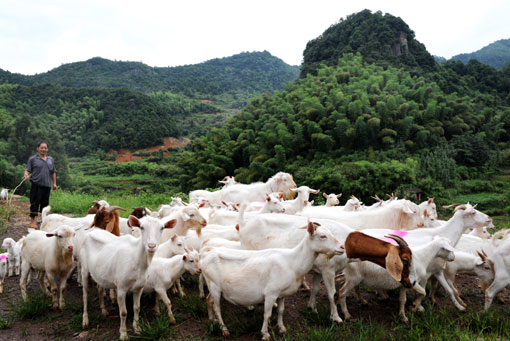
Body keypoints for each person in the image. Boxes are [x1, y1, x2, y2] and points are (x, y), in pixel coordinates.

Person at [24, 141, 58, 228]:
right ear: (38, 148)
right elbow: (28, 169)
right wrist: (26, 174)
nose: (43, 149)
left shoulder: (50, 160)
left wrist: (54, 183)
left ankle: (44, 222)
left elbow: (53, 172)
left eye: (45, 148)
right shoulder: (33, 159)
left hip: (47, 185)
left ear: (47, 149)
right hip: (36, 185)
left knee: (45, 204)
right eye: (42, 148)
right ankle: (32, 222)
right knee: (34, 203)